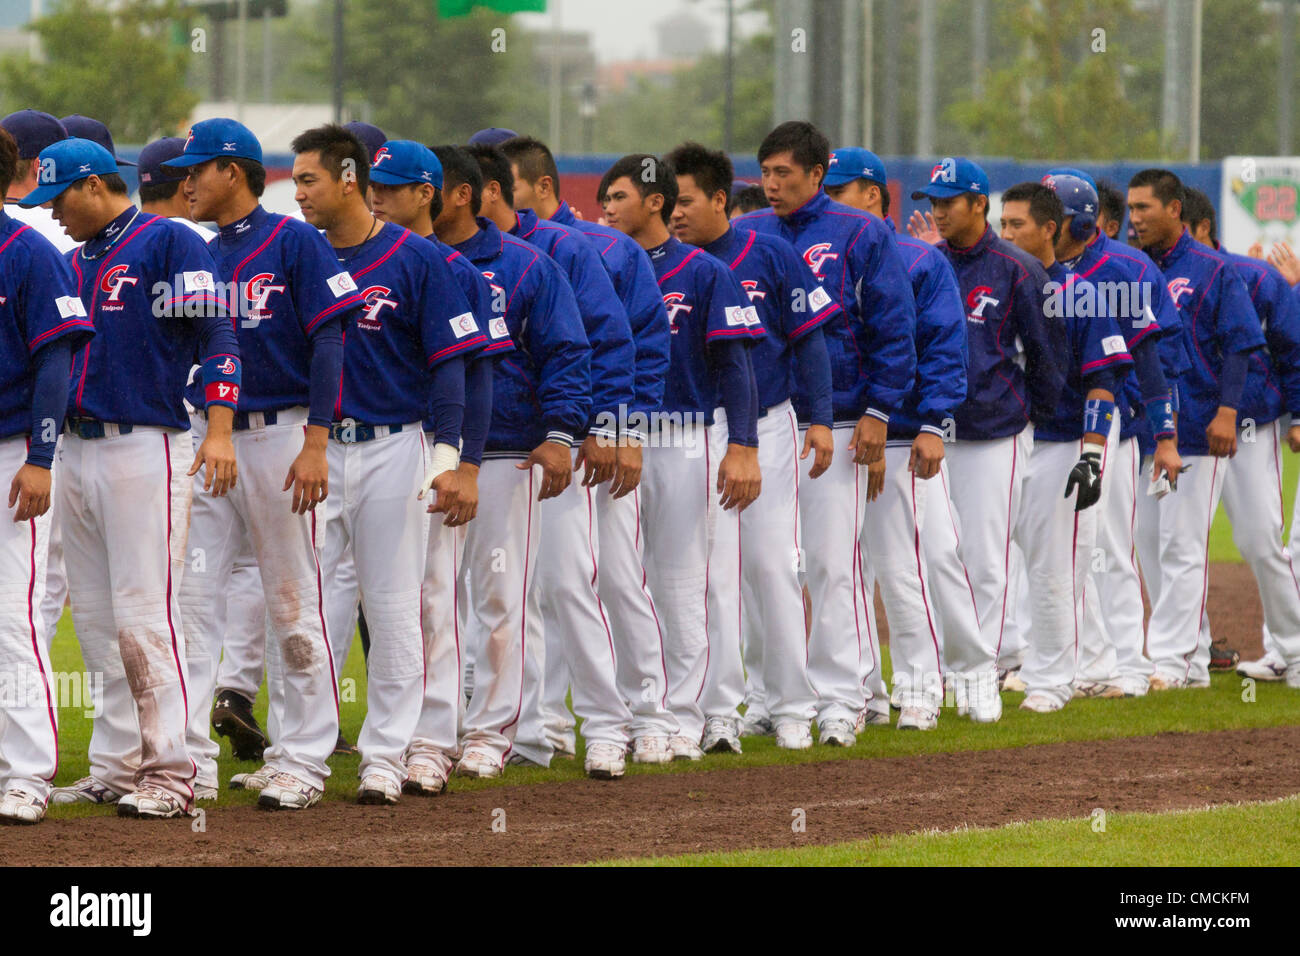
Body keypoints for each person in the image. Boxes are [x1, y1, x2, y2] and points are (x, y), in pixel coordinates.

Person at [30, 137, 241, 818]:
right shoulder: (71, 260)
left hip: (144, 443)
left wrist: (217, 427)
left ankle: (173, 772)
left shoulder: (168, 242)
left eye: (58, 197)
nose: (52, 213)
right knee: (94, 619)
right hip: (77, 447)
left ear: (94, 185)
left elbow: (217, 335)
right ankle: (118, 765)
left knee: (147, 613)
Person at [166, 118, 363, 810]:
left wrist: (317, 441)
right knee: (191, 602)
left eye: (199, 169)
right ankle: (184, 761)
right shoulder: (197, 250)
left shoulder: (296, 242)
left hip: (281, 434)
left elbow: (332, 341)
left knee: (291, 598)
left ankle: (302, 758)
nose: (186, 181)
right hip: (207, 436)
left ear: (234, 171)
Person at [292, 124, 481, 803]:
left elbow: (452, 366)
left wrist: (451, 457)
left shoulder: (419, 260)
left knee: (398, 605)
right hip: (313, 446)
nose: (299, 193)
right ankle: (301, 756)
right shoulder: (300, 253)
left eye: (309, 179)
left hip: (393, 444)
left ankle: (386, 753)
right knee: (309, 609)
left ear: (349, 180)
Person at [493, 137, 675, 763]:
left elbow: (635, 344)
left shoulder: (597, 248)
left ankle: (646, 715)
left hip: (596, 438)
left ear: (536, 185)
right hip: (525, 444)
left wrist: (620, 430)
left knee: (609, 578)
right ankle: (542, 728)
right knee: (531, 588)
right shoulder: (471, 253)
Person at [735, 122, 916, 741]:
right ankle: (766, 693)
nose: (772, 183)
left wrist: (879, 411)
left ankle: (843, 698)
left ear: (818, 175)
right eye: (766, 172)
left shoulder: (861, 232)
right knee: (762, 565)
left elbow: (893, 328)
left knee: (832, 563)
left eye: (785, 173)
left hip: (838, 418)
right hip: (767, 422)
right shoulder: (748, 234)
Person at [667, 140, 835, 751]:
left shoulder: (770, 253)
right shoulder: (666, 263)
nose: (676, 212)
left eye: (686, 201)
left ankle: (792, 705)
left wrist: (820, 418)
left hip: (766, 425)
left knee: (771, 564)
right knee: (709, 577)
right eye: (669, 202)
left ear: (719, 199)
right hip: (694, 431)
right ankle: (720, 710)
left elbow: (811, 339)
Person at [432, 144, 592, 778]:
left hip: (505, 452)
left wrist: (559, 433)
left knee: (502, 598)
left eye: (419, 184)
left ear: (460, 194)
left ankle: (491, 734)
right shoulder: (405, 262)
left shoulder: (526, 265)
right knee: (428, 600)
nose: (389, 196)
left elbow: (567, 352)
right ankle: (433, 729)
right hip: (424, 450)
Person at [601, 152, 762, 758]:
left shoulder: (702, 271)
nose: (606, 208)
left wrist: (742, 445)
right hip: (617, 434)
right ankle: (635, 711)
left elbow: (737, 364)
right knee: (616, 580)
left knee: (679, 581)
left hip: (683, 436)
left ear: (654, 202)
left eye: (618, 197)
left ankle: (687, 718)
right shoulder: (603, 263)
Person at [366, 139, 508, 793]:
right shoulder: (361, 258)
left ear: (426, 193)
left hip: (425, 444)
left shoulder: (454, 269)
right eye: (372, 185)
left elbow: (478, 379)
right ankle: (377, 743)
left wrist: (466, 463)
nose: (376, 196)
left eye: (389, 187)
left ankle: (431, 740)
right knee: (355, 603)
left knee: (431, 595)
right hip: (361, 449)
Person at [824, 146, 977, 729]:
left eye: (838, 191)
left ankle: (921, 687)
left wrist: (934, 423)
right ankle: (862, 692)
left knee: (905, 564)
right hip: (828, 427)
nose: (828, 202)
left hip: (901, 432)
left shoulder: (918, 258)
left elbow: (943, 345)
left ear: (871, 194)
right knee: (838, 568)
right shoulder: (817, 256)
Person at [907, 157, 1065, 717]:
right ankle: (949, 666)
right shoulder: (927, 263)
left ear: (979, 204)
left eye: (949, 201)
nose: (938, 211)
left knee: (984, 556)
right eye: (933, 201)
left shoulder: (1017, 268)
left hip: (994, 432)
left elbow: (1047, 356)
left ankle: (988, 667)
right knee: (933, 554)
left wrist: (1035, 421)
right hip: (931, 430)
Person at [1128, 168, 1275, 689]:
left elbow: (1239, 341)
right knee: (1148, 542)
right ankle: (1190, 663)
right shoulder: (1135, 268)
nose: (1135, 217)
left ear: (1174, 210)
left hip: (1197, 425)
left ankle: (1169, 661)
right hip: (1149, 429)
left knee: (1182, 545)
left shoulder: (1212, 268)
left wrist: (1228, 411)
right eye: (1131, 208)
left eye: (1144, 208)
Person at [999, 179, 1133, 712]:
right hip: (1005, 441)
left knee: (1058, 566)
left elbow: (1104, 379)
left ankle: (1053, 682)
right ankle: (1020, 664)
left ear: (1050, 229)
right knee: (1004, 562)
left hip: (1062, 439)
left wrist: (1094, 454)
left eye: (1017, 224)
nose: (1006, 233)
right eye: (1002, 224)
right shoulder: (1002, 284)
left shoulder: (1080, 293)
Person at [0, 125, 94, 825]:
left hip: (11, 453)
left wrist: (39, 456)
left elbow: (57, 360)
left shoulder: (27, 252)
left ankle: (26, 774)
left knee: (13, 617)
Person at [1181, 187, 1300, 688]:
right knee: (1179, 546)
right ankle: (1188, 656)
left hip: (1250, 428)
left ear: (1201, 226)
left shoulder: (1257, 278)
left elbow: (1292, 349)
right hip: (1187, 434)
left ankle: (1290, 650)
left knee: (1259, 541)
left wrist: (1297, 414)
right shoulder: (1159, 278)